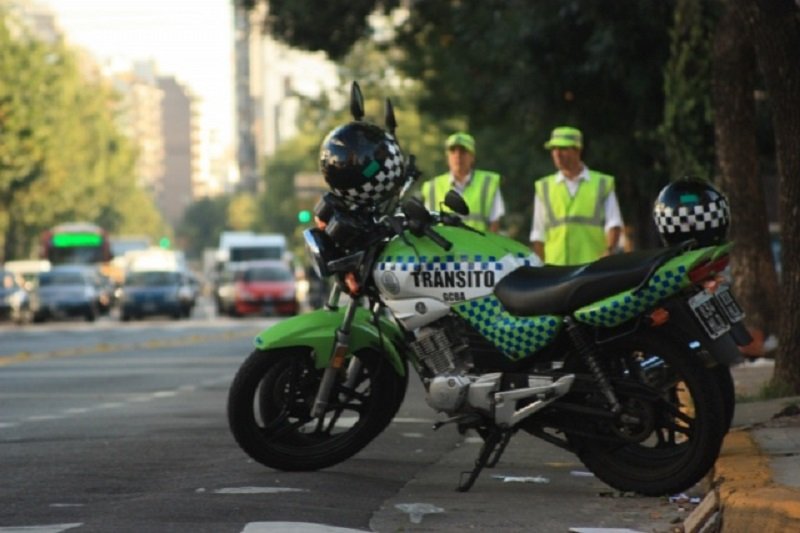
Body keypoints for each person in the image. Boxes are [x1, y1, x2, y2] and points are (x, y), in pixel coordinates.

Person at [530, 126, 623, 265]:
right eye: (553, 149)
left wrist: (609, 252)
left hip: (592, 266)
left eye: (563, 149)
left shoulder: (602, 184)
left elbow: (614, 223)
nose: (557, 154)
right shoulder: (544, 186)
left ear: (578, 150)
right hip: (556, 267)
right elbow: (538, 233)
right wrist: (539, 267)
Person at [421, 132, 505, 232]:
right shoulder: (432, 187)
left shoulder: (488, 183)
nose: (458, 156)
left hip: (477, 246)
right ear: (447, 157)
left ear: (472, 157)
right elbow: (427, 224)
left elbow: (494, 224)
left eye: (463, 151)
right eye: (453, 151)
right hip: (442, 247)